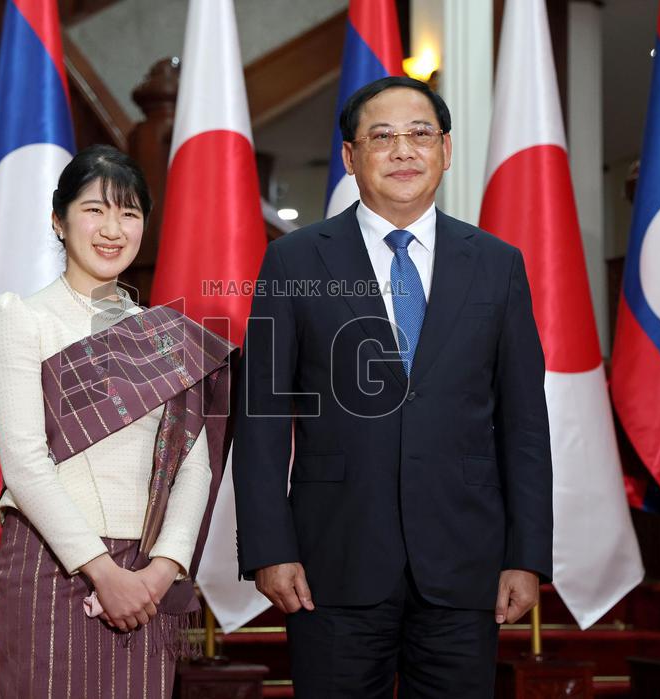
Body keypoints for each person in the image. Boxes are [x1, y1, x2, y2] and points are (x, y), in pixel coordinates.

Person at [233, 76, 553, 698]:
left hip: (465, 563)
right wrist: (270, 546)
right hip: (332, 560)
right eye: (382, 137)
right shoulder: (295, 261)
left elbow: (523, 422)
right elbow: (263, 414)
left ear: (446, 150)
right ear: (351, 157)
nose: (403, 150)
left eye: (420, 134)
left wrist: (527, 554)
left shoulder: (497, 263)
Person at [0, 144, 233, 698]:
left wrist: (162, 570)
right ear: (59, 220)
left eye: (129, 213)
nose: (112, 228)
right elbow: (24, 465)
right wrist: (103, 572)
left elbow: (192, 468)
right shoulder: (21, 317)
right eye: (95, 209)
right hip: (54, 561)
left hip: (147, 569)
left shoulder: (169, 337)